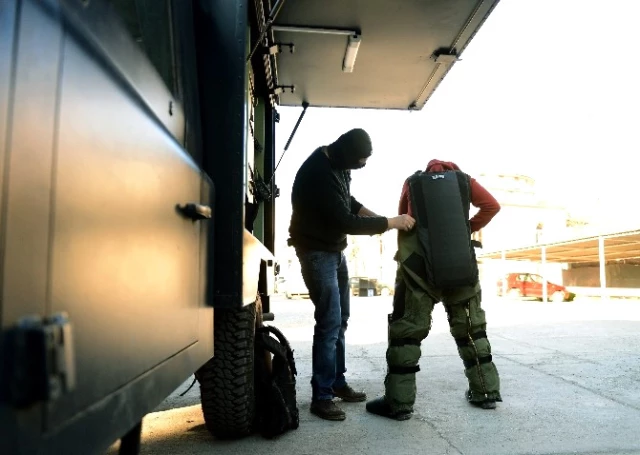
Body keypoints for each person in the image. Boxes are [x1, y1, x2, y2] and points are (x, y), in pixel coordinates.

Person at [287, 128, 415, 421]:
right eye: (360, 161)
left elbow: (350, 202)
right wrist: (390, 223)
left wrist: (379, 216)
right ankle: (321, 397)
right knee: (329, 322)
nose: (362, 166)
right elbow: (346, 220)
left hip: (334, 250)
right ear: (346, 154)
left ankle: (336, 381)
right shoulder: (318, 173)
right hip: (316, 252)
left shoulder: (336, 164)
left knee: (341, 319)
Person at [366, 159, 502, 421]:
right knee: (472, 330)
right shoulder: (464, 181)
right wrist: (467, 228)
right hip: (460, 266)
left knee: (407, 332)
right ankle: (485, 394)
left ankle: (400, 404)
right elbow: (492, 206)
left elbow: (407, 221)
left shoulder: (413, 183)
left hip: (419, 271)